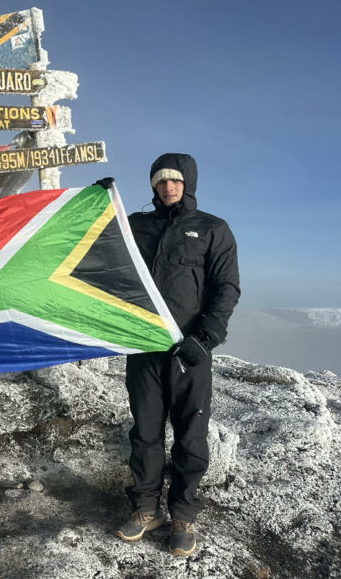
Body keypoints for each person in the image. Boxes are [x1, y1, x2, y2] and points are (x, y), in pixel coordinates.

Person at [115, 153, 240, 556]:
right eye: (161, 181)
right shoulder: (136, 225)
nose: (168, 187)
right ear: (153, 186)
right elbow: (101, 251)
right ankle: (145, 507)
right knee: (146, 431)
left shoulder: (212, 229)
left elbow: (226, 289)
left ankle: (183, 514)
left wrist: (205, 337)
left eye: (176, 180)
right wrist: (102, 206)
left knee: (190, 435)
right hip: (144, 347)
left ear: (189, 183)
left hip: (190, 349)